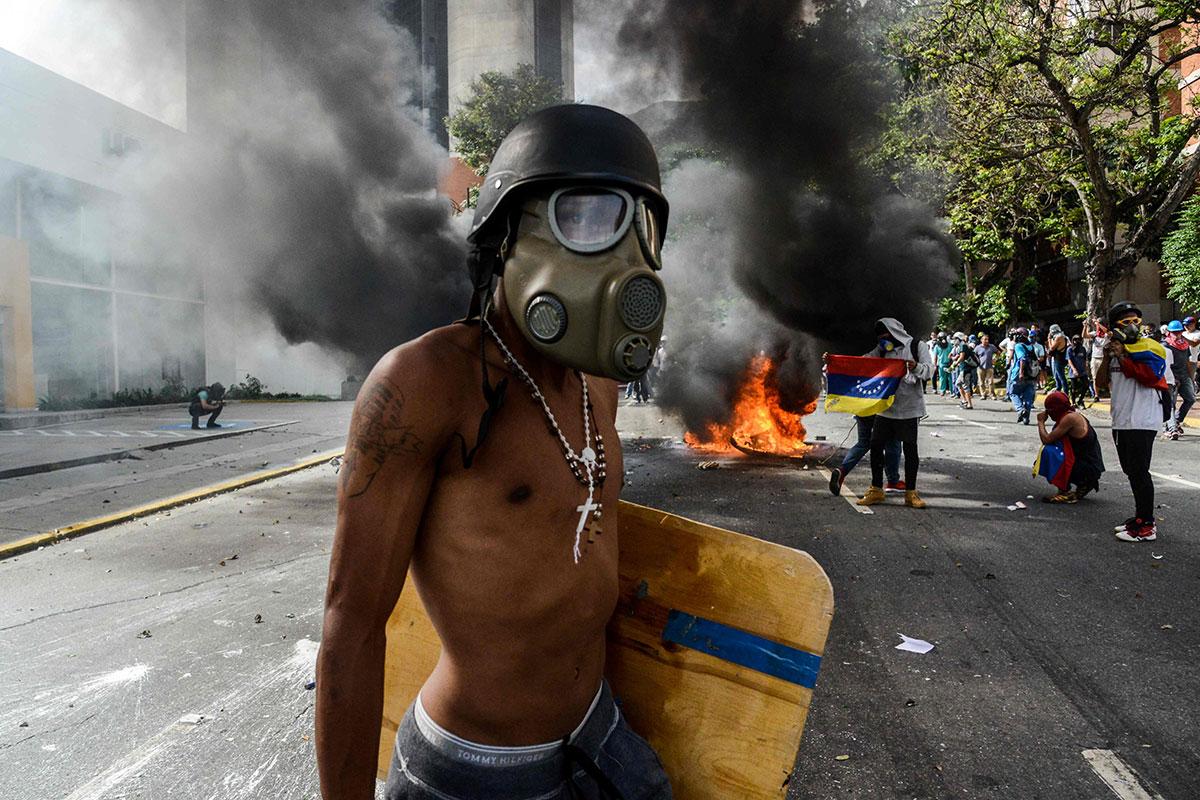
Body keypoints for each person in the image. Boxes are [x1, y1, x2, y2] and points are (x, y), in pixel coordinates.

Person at [315, 105, 673, 800]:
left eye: (641, 227)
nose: (622, 255)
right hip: (479, 773)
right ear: (508, 233)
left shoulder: (597, 382)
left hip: (599, 734)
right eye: (590, 217)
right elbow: (351, 626)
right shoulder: (426, 383)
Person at [1095, 301, 1167, 542]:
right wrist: (1109, 355)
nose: (1133, 326)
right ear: (1115, 327)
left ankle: (1147, 525)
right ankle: (1139, 517)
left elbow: (1149, 377)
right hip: (1122, 418)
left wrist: (1124, 356)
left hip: (1143, 418)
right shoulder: (1114, 350)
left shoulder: (1152, 348)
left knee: (1139, 470)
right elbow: (1101, 384)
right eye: (1126, 322)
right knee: (1130, 471)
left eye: (1136, 321)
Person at [856, 318, 934, 509]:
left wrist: (915, 367)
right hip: (885, 409)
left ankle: (911, 493)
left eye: (886, 336)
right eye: (880, 337)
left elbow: (929, 371)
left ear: (895, 333)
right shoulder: (882, 350)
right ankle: (876, 489)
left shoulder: (917, 346)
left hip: (909, 410)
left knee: (910, 450)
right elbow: (864, 361)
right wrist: (835, 361)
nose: (883, 340)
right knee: (875, 446)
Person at [1035, 391, 1104, 503]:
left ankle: (1065, 490)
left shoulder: (1070, 418)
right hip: (1087, 465)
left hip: (1087, 468)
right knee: (1052, 450)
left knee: (1048, 452)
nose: (1048, 413)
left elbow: (1046, 440)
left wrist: (1040, 422)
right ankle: (1080, 485)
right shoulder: (1070, 414)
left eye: (1050, 410)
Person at [827, 415, 903, 495]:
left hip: (864, 409)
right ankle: (893, 482)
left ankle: (842, 471)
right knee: (892, 443)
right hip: (883, 412)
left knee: (863, 443)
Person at [1164, 320, 1192, 439]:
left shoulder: (1184, 344)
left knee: (1190, 398)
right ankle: (1172, 429)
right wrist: (1171, 378)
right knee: (1171, 403)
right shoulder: (1165, 345)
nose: (1177, 334)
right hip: (1171, 377)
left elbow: (1187, 361)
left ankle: (1176, 421)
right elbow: (1165, 364)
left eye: (1179, 332)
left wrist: (1191, 377)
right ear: (1169, 332)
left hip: (1184, 375)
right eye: (1174, 332)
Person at [1008, 328, 1038, 424]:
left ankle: (1021, 410)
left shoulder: (1019, 346)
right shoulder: (1031, 346)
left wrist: (1021, 372)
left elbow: (1022, 359)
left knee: (1013, 393)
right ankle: (1026, 418)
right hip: (1031, 376)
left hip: (1019, 374)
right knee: (1028, 396)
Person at [1084, 316, 1109, 399]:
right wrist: (1085, 326)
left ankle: (1111, 393)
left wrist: (1097, 323)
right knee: (1094, 377)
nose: (1097, 326)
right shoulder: (1095, 333)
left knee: (1107, 377)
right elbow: (1085, 335)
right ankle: (1096, 395)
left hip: (1104, 359)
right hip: (1095, 358)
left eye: (1099, 324)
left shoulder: (1106, 334)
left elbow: (1107, 332)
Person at [953, 333, 978, 409]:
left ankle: (969, 404)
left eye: (955, 339)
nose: (954, 340)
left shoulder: (963, 345)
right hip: (963, 368)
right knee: (958, 384)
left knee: (965, 386)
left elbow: (961, 357)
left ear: (959, 338)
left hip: (965, 369)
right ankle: (964, 400)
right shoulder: (961, 346)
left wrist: (955, 364)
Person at [1066, 334, 1090, 408]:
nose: (1077, 341)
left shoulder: (1083, 349)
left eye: (1078, 339)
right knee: (1073, 388)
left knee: (1086, 385)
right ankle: (1073, 402)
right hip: (1073, 371)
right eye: (1075, 339)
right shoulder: (1070, 349)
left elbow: (1085, 359)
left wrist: (1086, 369)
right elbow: (1069, 360)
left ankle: (1080, 400)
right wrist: (1074, 370)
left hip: (1082, 370)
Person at [975, 334, 999, 400]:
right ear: (981, 340)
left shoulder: (991, 346)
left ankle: (992, 394)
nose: (986, 341)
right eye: (985, 339)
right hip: (980, 367)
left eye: (987, 339)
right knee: (981, 382)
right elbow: (974, 355)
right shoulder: (978, 347)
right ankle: (983, 394)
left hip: (989, 367)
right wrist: (976, 361)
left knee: (990, 382)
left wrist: (995, 359)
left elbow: (998, 352)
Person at [1046, 324, 1069, 393]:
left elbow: (1051, 348)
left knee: (1061, 377)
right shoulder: (1060, 336)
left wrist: (1049, 339)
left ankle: (1066, 393)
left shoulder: (1059, 337)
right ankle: (1058, 389)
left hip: (1059, 359)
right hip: (1057, 358)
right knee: (1056, 376)